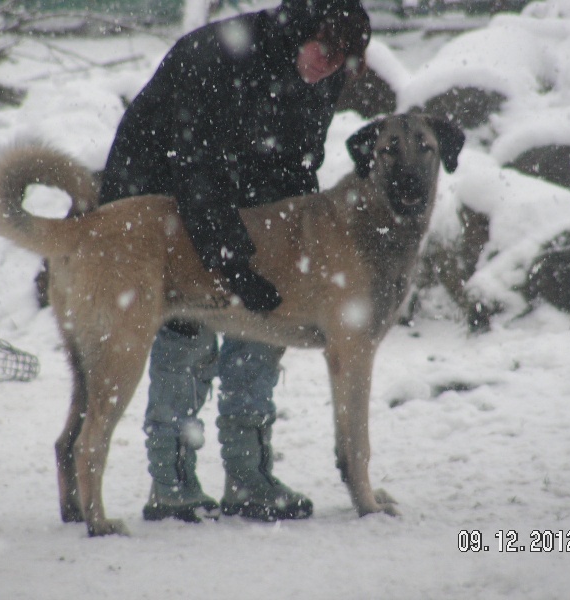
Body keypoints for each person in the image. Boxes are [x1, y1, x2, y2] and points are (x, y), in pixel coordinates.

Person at [98, 0, 371, 523]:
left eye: (341, 61)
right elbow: (196, 169)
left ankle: (250, 476)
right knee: (187, 334)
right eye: (324, 50)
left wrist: (283, 257)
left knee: (264, 325)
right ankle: (172, 481)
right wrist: (231, 261)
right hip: (159, 195)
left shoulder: (320, 71)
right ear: (301, 30)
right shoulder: (216, 58)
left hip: (244, 201)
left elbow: (296, 161)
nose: (327, 66)